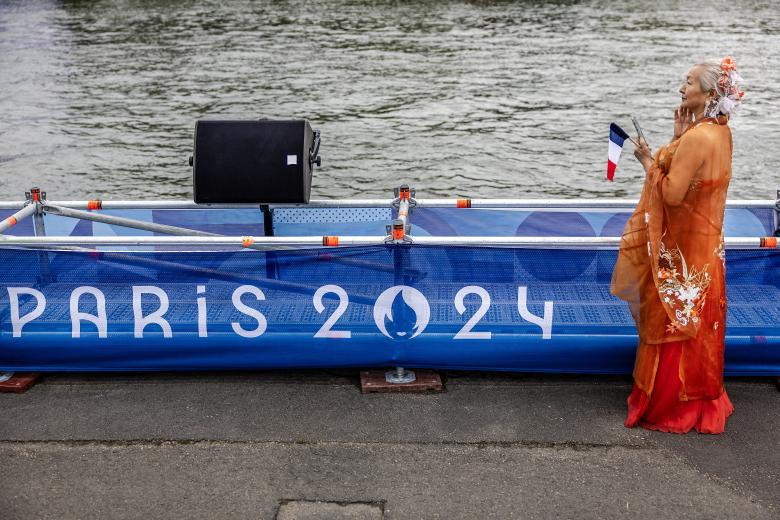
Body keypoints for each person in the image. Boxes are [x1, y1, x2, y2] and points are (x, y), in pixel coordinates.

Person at [611, 56, 745, 434]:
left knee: (672, 317)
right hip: (706, 246)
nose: (681, 87)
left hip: (683, 249)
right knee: (697, 322)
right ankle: (700, 397)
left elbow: (671, 194)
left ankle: (670, 405)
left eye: (688, 82)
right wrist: (675, 136)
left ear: (708, 92)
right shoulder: (718, 131)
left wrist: (646, 161)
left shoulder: (699, 138)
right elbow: (696, 183)